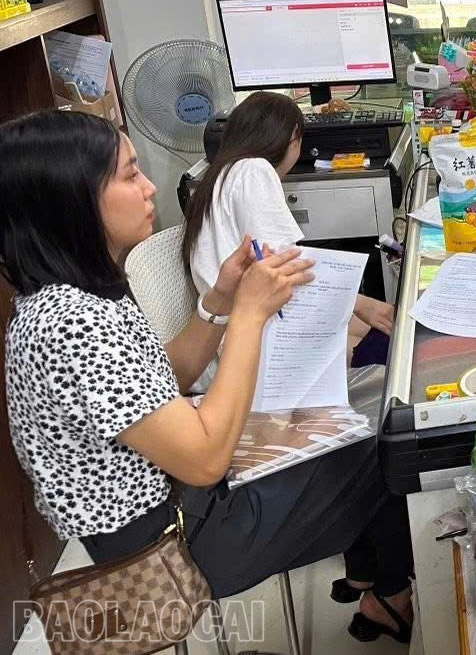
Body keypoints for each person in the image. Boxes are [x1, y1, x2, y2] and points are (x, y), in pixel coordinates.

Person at [0, 110, 415, 644]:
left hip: (179, 500)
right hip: (168, 544)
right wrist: (248, 315)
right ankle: (389, 595)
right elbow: (204, 458)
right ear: (71, 200)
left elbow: (165, 376)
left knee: (360, 424)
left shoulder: (83, 295)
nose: (150, 187)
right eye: (130, 175)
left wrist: (218, 302)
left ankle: (373, 581)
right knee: (391, 447)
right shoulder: (69, 324)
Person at [183, 91, 394, 386]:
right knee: (386, 348)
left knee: (372, 326)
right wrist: (361, 304)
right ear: (291, 138)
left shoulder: (216, 178)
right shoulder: (254, 170)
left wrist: (355, 306)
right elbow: (285, 267)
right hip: (254, 344)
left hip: (234, 331)